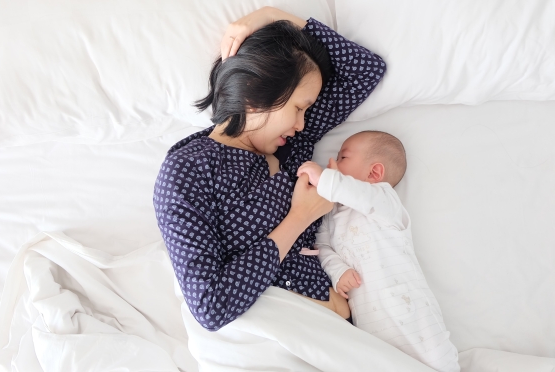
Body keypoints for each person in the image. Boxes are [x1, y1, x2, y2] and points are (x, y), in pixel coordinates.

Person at [153, 7, 386, 331]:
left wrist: (272, 16)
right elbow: (210, 305)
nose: (303, 122)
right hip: (276, 340)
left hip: (341, 333)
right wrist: (299, 217)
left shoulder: (292, 145)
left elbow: (365, 71)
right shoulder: (188, 170)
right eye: (299, 108)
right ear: (256, 89)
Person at [298, 131, 464, 372]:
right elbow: (323, 247)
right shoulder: (332, 212)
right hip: (374, 330)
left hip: (413, 316)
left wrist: (326, 179)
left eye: (342, 157)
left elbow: (356, 194)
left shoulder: (384, 200)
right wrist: (338, 271)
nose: (333, 162)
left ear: (374, 173)